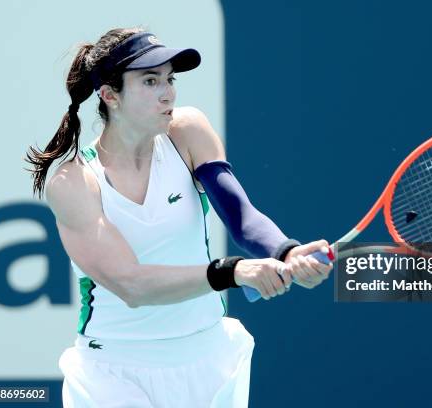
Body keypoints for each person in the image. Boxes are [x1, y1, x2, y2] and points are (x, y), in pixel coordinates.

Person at [25, 27, 332, 407]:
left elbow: (240, 216)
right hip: (114, 372)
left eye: (170, 79)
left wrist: (285, 251)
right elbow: (131, 285)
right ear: (110, 95)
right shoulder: (74, 183)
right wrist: (233, 272)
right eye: (150, 81)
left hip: (209, 359)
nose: (168, 92)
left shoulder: (187, 131)